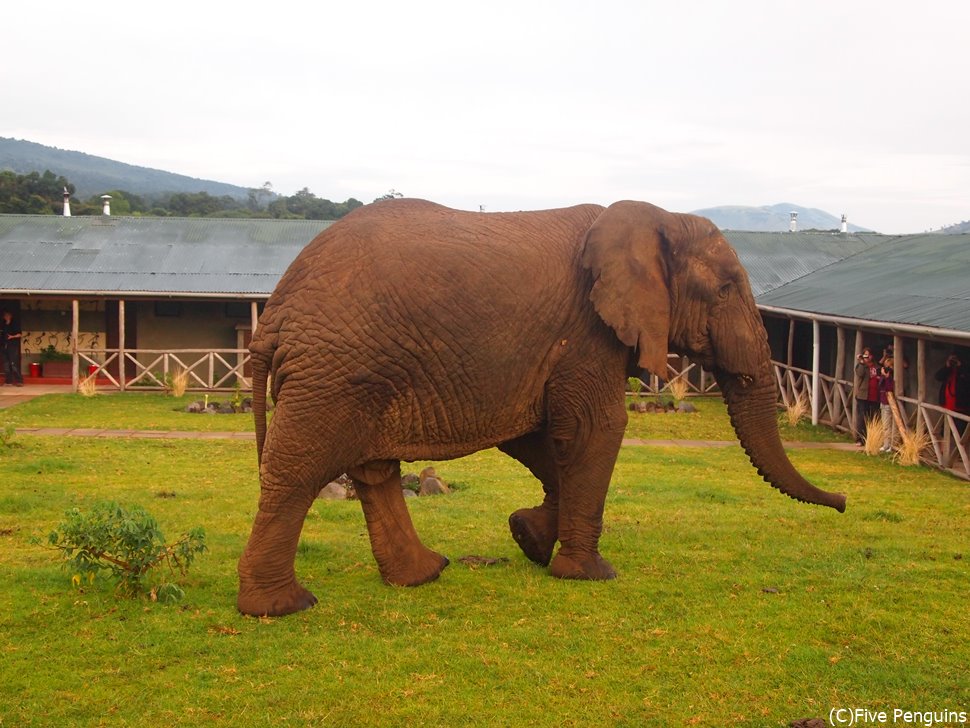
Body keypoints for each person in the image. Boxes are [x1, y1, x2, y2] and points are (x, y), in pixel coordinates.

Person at [935, 353, 970, 435]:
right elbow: (937, 377)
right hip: (947, 406)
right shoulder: (948, 370)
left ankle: (960, 448)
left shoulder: (964, 370)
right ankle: (944, 447)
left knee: (961, 433)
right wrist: (947, 366)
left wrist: (960, 366)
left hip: (960, 407)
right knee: (944, 432)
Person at [853, 347, 880, 444]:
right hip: (863, 395)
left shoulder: (876, 366)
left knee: (872, 418)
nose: (866, 358)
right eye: (864, 355)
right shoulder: (862, 366)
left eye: (867, 356)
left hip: (875, 396)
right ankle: (860, 439)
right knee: (862, 418)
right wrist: (861, 362)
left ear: (871, 356)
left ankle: (871, 439)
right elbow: (859, 374)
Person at [878, 358, 897, 452]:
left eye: (889, 366)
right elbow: (880, 384)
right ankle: (886, 444)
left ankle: (891, 445)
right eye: (886, 366)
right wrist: (884, 376)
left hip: (890, 403)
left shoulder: (893, 376)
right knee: (885, 425)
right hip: (883, 401)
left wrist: (888, 377)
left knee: (892, 426)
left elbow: (889, 388)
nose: (887, 368)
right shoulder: (884, 376)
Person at [1, 310, 23, 386]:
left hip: (12, 346)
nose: (5, 317)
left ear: (10, 316)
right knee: (6, 365)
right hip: (4, 346)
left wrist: (12, 337)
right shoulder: (3, 324)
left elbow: (20, 334)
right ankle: (8, 381)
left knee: (13, 364)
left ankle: (19, 381)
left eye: (7, 315)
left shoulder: (15, 324)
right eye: (4, 316)